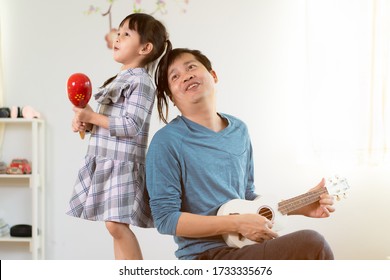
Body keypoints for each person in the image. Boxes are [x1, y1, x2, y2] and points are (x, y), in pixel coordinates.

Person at [145, 48, 335, 260]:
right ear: (171, 96)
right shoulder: (166, 142)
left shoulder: (239, 130)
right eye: (175, 76)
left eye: (191, 67)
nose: (186, 75)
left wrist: (299, 206)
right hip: (205, 257)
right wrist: (236, 223)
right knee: (312, 244)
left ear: (213, 75)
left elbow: (246, 198)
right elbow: (165, 219)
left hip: (245, 248)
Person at [66, 13, 171, 260]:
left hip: (123, 163)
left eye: (126, 34)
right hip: (108, 158)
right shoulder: (121, 78)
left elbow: (130, 126)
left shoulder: (142, 82)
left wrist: (93, 118)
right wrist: (87, 122)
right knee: (113, 226)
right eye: (119, 32)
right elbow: (109, 124)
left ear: (145, 48)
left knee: (116, 225)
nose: (118, 37)